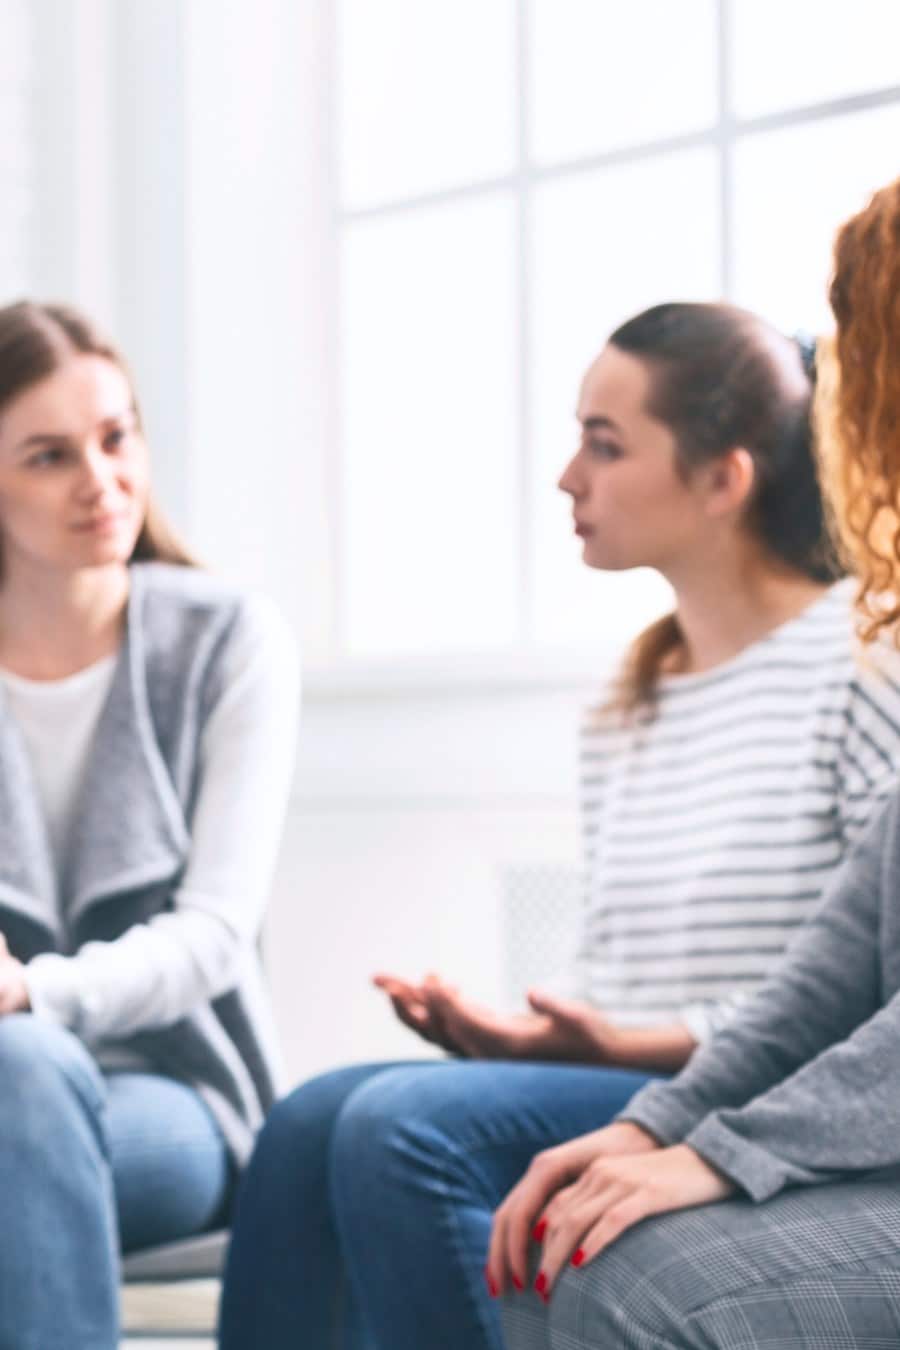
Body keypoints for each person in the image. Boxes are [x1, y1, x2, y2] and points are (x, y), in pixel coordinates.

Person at [218, 302, 900, 1350]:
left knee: (398, 1132)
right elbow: (619, 952)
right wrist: (540, 1032)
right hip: (630, 1059)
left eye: (604, 443)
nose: (566, 477)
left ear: (724, 479)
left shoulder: (858, 666)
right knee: (310, 1119)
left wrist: (637, 1052)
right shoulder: (630, 695)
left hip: (746, 1075)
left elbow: (848, 988)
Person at [494, 176, 900, 1350]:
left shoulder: (852, 664)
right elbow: (839, 961)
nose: (841, 398)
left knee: (634, 1275)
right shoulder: (629, 698)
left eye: (865, 353)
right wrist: (653, 1127)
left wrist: (724, 1151)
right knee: (571, 1229)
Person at [0, 300, 298, 1350]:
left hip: (167, 1094)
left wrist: (32, 991)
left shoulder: (226, 641)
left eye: (117, 437)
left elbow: (215, 935)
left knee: (21, 1076)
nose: (101, 480)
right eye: (49, 455)